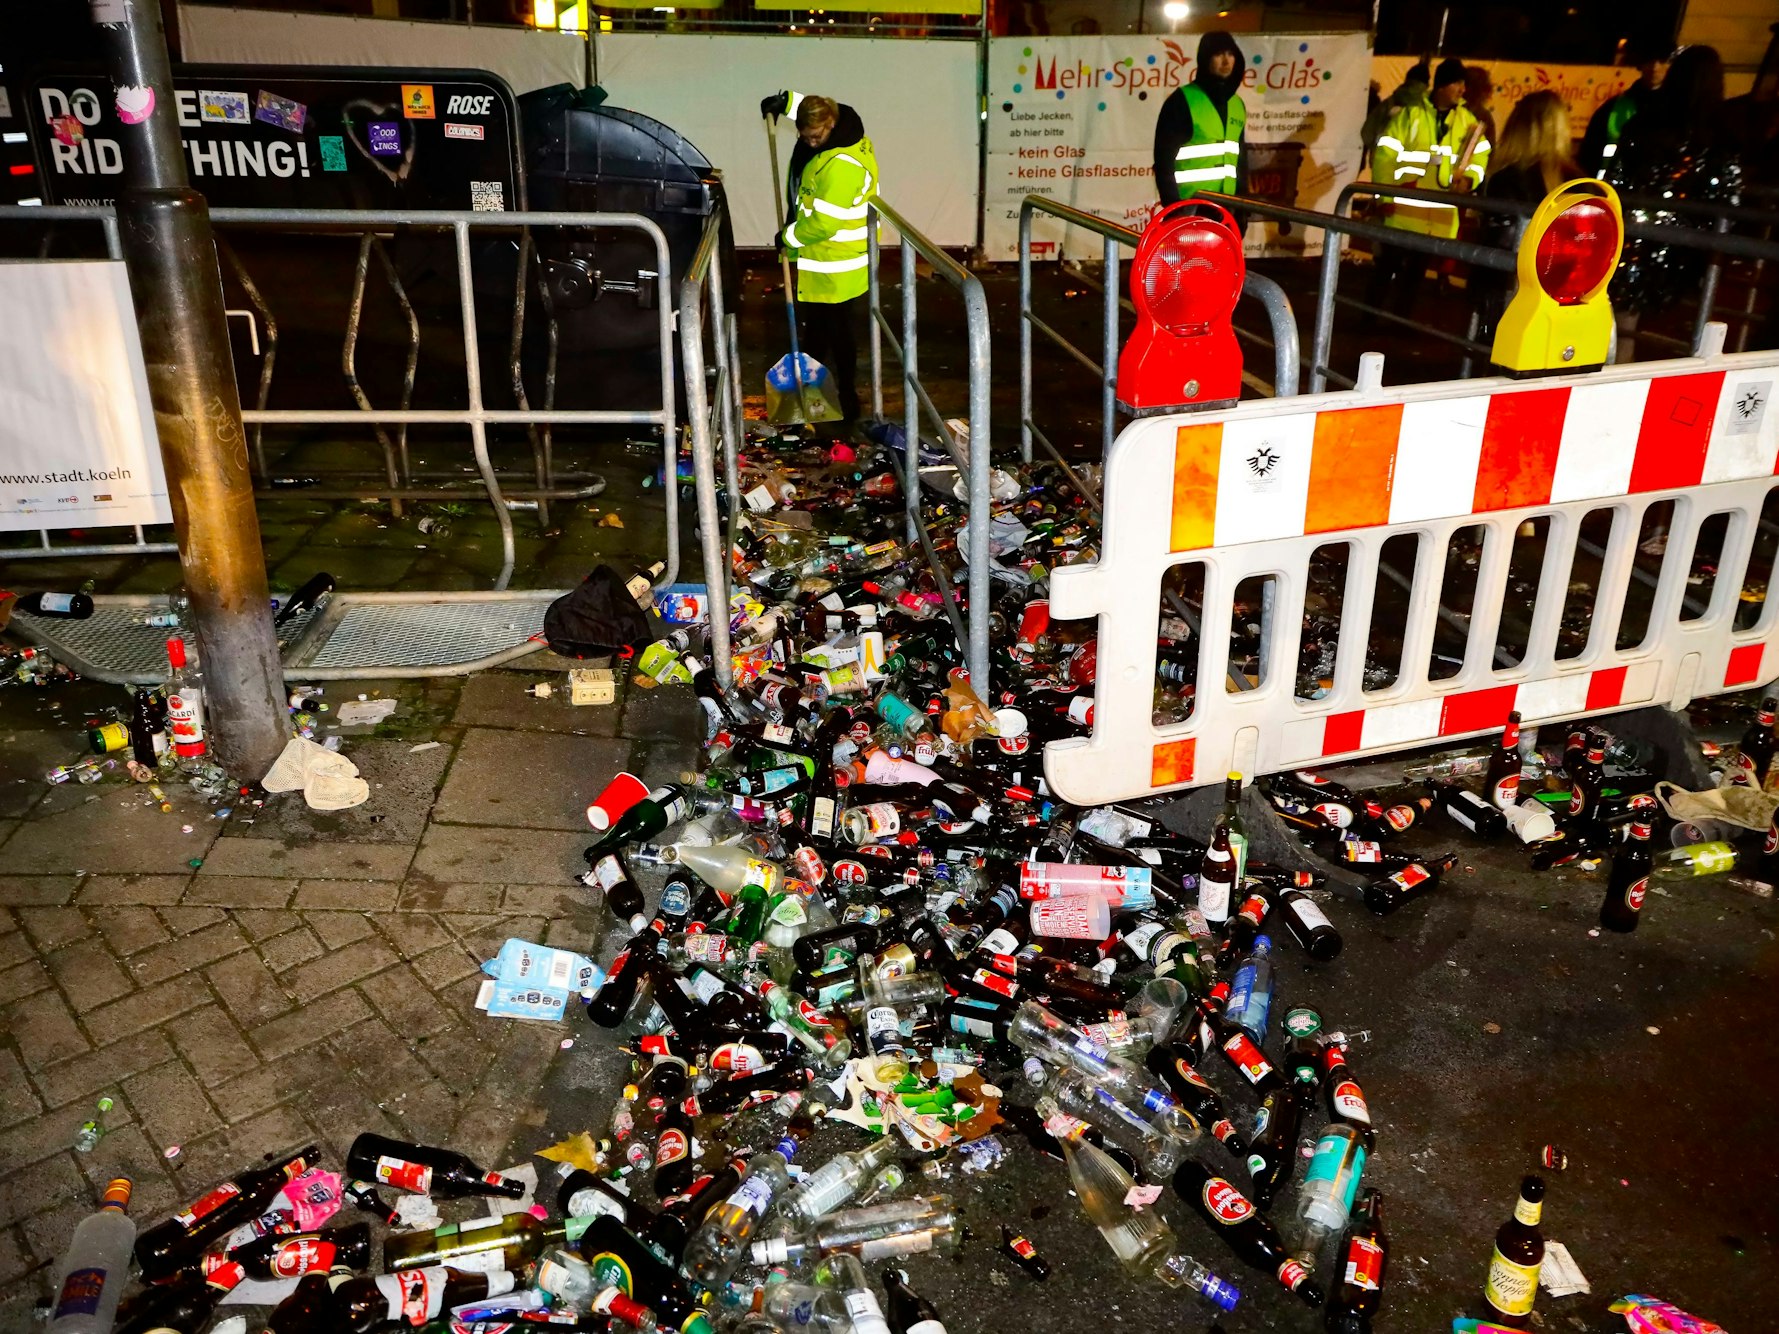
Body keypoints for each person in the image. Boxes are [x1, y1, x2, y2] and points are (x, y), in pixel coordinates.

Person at [1604, 45, 1743, 345]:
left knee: (1621, 326)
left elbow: (1616, 176)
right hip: (1688, 247)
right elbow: (1728, 195)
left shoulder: (1643, 121)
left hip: (1634, 234)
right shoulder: (1719, 134)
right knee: (1689, 333)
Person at [760, 90, 879, 433]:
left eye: (816, 136)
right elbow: (815, 105)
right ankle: (830, 399)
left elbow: (824, 224)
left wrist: (788, 239)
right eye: (804, 136)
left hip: (835, 261)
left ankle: (837, 403)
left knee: (830, 332)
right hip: (825, 257)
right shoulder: (841, 121)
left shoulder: (840, 165)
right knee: (827, 330)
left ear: (831, 126)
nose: (810, 143)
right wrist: (786, 103)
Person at [1364, 58, 1492, 317]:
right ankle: (1369, 317)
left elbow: (1480, 157)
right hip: (1401, 211)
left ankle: (1401, 321)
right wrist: (1384, 197)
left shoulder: (1467, 121)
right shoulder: (1409, 115)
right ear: (1442, 85)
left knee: (1415, 275)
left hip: (1436, 216)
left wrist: (1469, 180)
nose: (1462, 89)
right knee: (1386, 267)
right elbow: (1384, 158)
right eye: (1457, 83)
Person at [1474, 91, 1577, 340]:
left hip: (1511, 287)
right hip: (1563, 287)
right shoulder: (1578, 180)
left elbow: (1499, 238)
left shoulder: (1505, 176)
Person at [1153, 31, 1248, 204]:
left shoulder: (1237, 104)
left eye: (1230, 54)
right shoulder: (1182, 100)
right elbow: (1163, 162)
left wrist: (1243, 209)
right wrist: (1174, 208)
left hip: (1228, 208)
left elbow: (1241, 160)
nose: (1226, 61)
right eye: (1219, 54)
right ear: (1205, 59)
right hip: (1190, 207)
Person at [1580, 37, 1672, 177]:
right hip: (1610, 187)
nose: (1655, 67)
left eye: (1662, 61)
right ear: (1639, 64)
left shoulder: (1676, 108)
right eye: (1649, 60)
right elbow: (1589, 154)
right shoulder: (1613, 107)